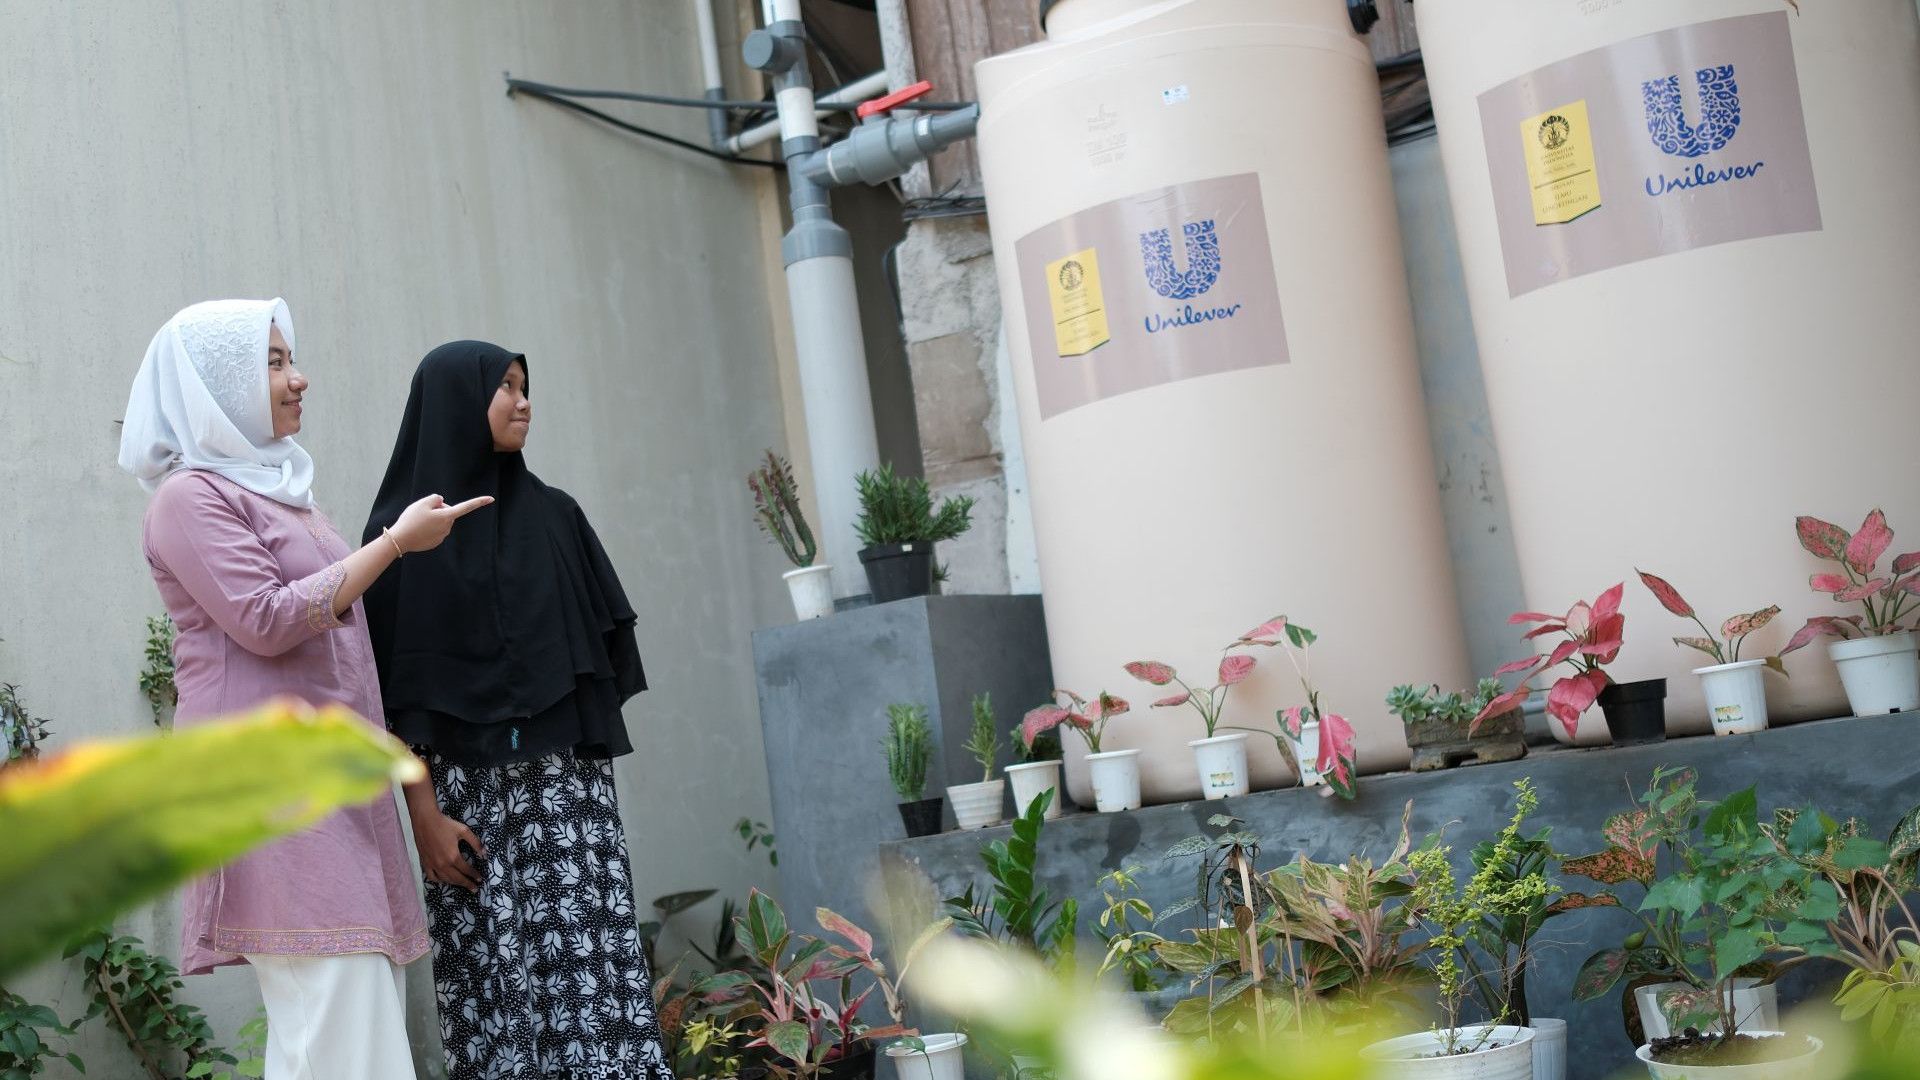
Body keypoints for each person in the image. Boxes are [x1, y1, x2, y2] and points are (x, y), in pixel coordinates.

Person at [118, 299, 492, 1080]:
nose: (300, 379)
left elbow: (340, 668)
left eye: (292, 360)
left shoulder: (282, 494)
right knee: (344, 1032)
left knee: (332, 1039)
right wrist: (393, 545)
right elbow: (265, 620)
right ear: (217, 386)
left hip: (331, 796)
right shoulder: (189, 500)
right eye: (275, 362)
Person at [361, 341, 670, 1079]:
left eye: (525, 385)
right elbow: (383, 703)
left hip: (569, 808)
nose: (523, 401)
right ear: (457, 403)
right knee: (499, 1007)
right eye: (504, 386)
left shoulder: (559, 521)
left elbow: (593, 679)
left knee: (596, 999)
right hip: (467, 814)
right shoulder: (398, 541)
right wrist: (423, 818)